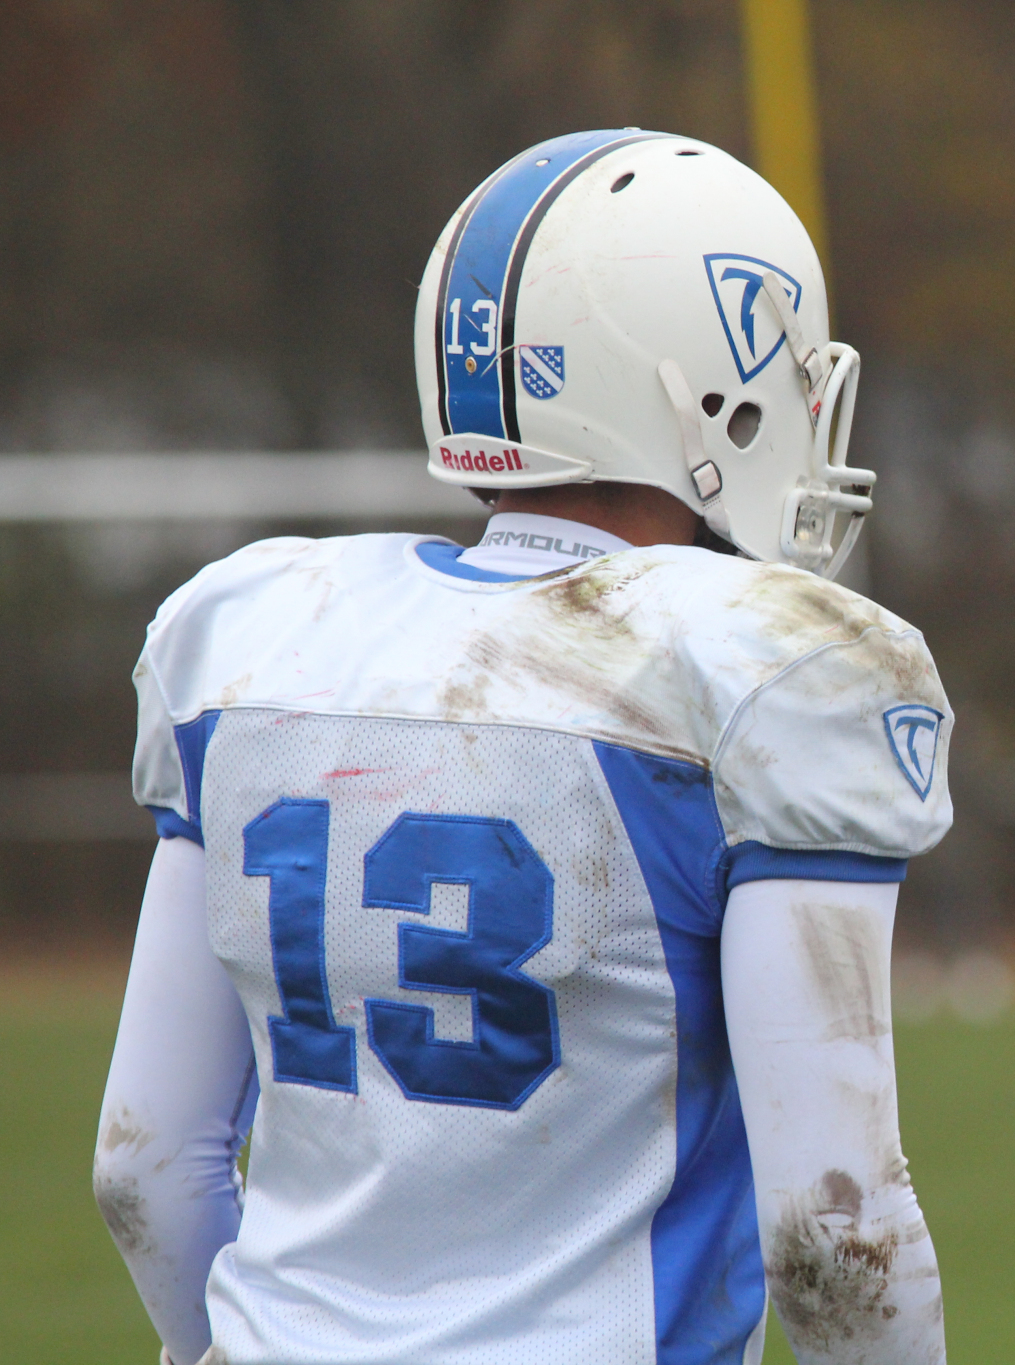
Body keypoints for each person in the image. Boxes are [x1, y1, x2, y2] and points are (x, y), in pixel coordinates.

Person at [93, 129, 952, 1365]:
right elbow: (835, 1235)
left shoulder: (253, 633)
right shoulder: (764, 664)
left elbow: (146, 1168)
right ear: (707, 391)